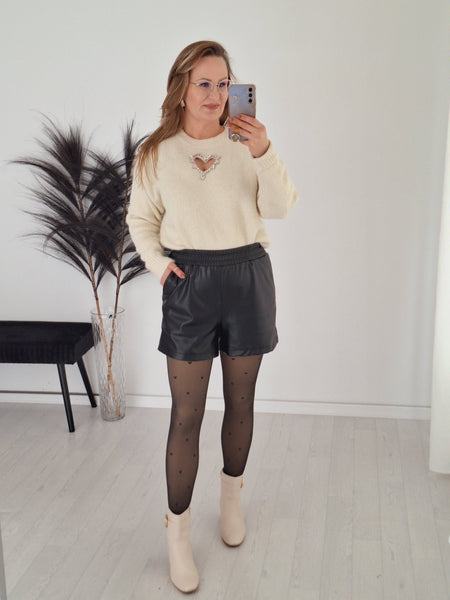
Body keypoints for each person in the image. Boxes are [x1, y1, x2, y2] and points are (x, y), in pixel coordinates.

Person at [127, 40, 298, 593]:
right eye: (204, 83)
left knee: (241, 401)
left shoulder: (247, 143)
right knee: (186, 414)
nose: (216, 95)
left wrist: (264, 150)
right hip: (189, 284)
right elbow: (140, 220)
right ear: (181, 87)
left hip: (247, 276)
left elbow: (280, 207)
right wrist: (160, 267)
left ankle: (230, 501)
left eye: (224, 84)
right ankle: (177, 536)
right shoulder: (156, 152)